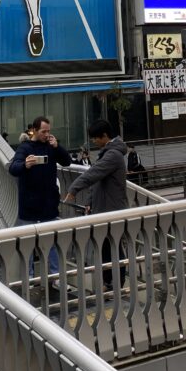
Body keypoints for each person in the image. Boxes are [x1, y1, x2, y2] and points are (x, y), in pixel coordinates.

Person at [64, 120, 128, 291]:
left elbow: (93, 173)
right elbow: (98, 181)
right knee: (106, 247)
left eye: (95, 138)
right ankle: (109, 282)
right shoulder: (108, 152)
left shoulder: (112, 155)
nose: (93, 142)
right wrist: (89, 203)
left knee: (113, 248)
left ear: (105, 136)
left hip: (112, 210)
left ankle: (117, 283)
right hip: (104, 209)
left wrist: (73, 189)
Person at [8, 116, 72, 283]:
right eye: (44, 131)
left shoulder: (51, 147)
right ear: (34, 131)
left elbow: (67, 162)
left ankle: (55, 277)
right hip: (29, 206)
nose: (47, 134)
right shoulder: (25, 147)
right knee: (28, 245)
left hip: (48, 205)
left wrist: (57, 147)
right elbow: (13, 169)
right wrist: (25, 165)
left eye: (49, 131)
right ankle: (28, 279)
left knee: (52, 243)